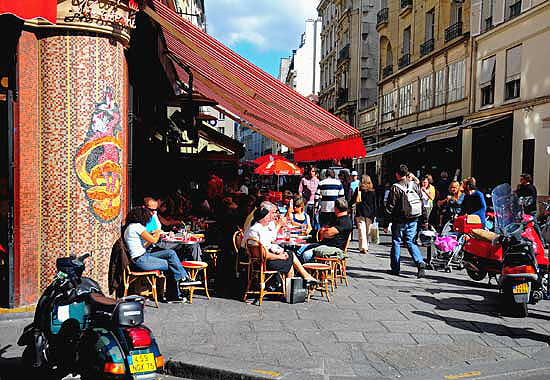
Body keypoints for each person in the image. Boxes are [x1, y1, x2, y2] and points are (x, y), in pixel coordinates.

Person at [123, 207, 199, 302]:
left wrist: (155, 234)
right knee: (172, 264)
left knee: (170, 253)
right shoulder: (137, 227)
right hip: (141, 260)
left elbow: (144, 244)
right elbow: (154, 240)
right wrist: (158, 232)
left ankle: (183, 279)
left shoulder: (130, 228)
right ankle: (176, 291)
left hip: (142, 256)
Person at [242, 207, 317, 285]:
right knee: (290, 257)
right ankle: (290, 287)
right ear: (263, 218)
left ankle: (288, 287)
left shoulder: (258, 228)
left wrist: (280, 253)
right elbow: (264, 253)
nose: (270, 219)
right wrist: (280, 256)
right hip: (261, 263)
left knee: (289, 255)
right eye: (268, 217)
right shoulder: (256, 230)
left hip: (258, 260)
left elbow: (268, 245)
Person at [385, 164, 427, 277]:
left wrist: (386, 223)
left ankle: (395, 268)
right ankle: (419, 262)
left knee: (396, 242)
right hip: (414, 217)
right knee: (410, 241)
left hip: (399, 219)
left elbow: (390, 206)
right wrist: (424, 219)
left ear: (397, 175)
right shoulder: (414, 185)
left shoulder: (395, 187)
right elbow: (421, 202)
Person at [296, 198, 353, 263]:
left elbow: (327, 233)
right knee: (300, 250)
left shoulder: (345, 221)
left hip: (334, 248)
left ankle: (310, 271)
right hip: (324, 244)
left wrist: (324, 231)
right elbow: (324, 230)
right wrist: (324, 231)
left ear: (336, 208)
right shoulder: (335, 217)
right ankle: (302, 271)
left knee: (307, 254)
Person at [352, 175, 377, 254]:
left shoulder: (358, 190)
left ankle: (363, 246)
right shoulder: (372, 192)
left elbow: (352, 200)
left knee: (362, 230)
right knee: (367, 231)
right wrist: (375, 214)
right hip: (370, 214)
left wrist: (348, 207)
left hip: (360, 212)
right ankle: (365, 247)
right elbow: (375, 204)